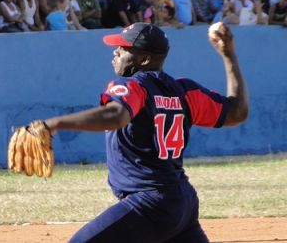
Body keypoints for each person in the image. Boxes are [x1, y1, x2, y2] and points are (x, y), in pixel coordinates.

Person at [42, 21, 248, 242]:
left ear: (145, 59)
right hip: (182, 202)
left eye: (124, 48)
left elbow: (116, 116)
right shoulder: (184, 91)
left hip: (150, 203)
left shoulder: (133, 86)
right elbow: (236, 112)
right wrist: (229, 56)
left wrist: (52, 124)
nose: (116, 52)